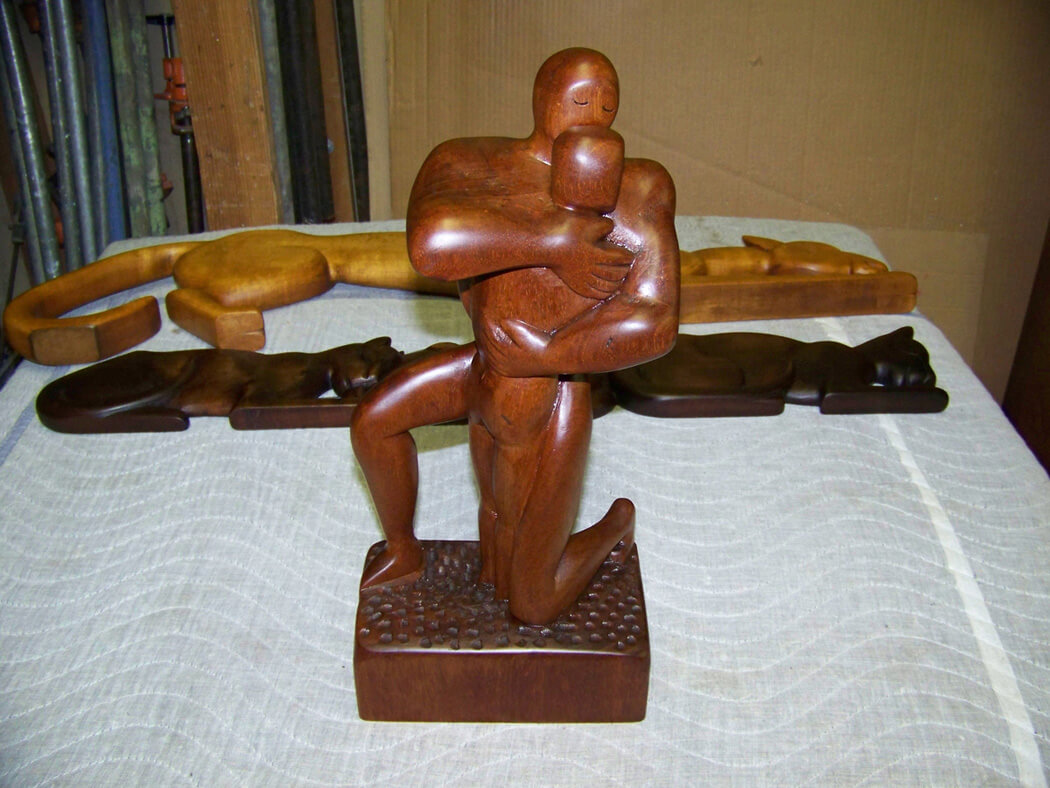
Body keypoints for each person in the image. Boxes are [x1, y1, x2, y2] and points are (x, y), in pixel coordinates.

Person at [351, 48, 679, 624]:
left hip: (556, 391)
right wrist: (553, 242)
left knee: (532, 603)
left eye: (606, 104)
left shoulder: (639, 187)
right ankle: (403, 549)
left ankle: (612, 526)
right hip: (483, 367)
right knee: (374, 424)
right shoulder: (472, 162)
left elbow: (656, 321)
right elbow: (431, 245)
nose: (593, 115)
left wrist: (550, 353)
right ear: (542, 98)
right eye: (580, 100)